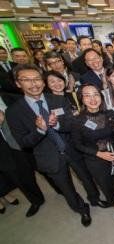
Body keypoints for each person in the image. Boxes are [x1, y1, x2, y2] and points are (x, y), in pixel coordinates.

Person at [6, 64, 92, 226]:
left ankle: (94, 198)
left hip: (71, 148)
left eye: (37, 79)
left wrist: (57, 124)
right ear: (18, 83)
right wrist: (39, 130)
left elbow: (72, 123)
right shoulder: (14, 112)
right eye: (27, 80)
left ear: (43, 82)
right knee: (67, 189)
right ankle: (81, 209)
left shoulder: (58, 99)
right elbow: (23, 143)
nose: (34, 84)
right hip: (48, 157)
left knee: (86, 177)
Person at [71, 84, 114, 217]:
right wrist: (99, 153)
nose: (93, 99)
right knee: (105, 183)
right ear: (81, 99)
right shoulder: (78, 121)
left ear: (101, 97)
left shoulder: (109, 114)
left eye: (95, 94)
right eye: (87, 96)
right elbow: (78, 145)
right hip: (95, 159)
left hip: (113, 154)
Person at [0, 95, 45, 216]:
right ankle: (36, 200)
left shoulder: (7, 90)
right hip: (6, 148)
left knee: (43, 167)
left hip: (27, 136)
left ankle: (60, 188)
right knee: (22, 177)